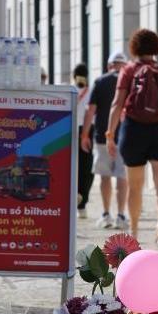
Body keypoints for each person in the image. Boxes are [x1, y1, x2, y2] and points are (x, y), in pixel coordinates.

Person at [106, 29, 158, 244]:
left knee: (135, 185)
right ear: (157, 47)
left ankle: (134, 231)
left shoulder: (129, 70)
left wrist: (110, 134)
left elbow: (117, 104)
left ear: (135, 47)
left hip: (133, 131)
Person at [81, 51, 129, 230]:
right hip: (125, 136)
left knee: (105, 176)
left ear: (109, 65)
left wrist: (84, 134)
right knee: (122, 177)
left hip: (102, 136)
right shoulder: (130, 81)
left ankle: (106, 214)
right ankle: (121, 215)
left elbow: (90, 110)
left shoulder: (100, 81)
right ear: (125, 65)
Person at [73, 63, 93, 220]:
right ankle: (82, 203)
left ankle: (75, 198)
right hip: (89, 131)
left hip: (72, 131)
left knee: (73, 167)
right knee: (87, 169)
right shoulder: (91, 92)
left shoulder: (71, 91)